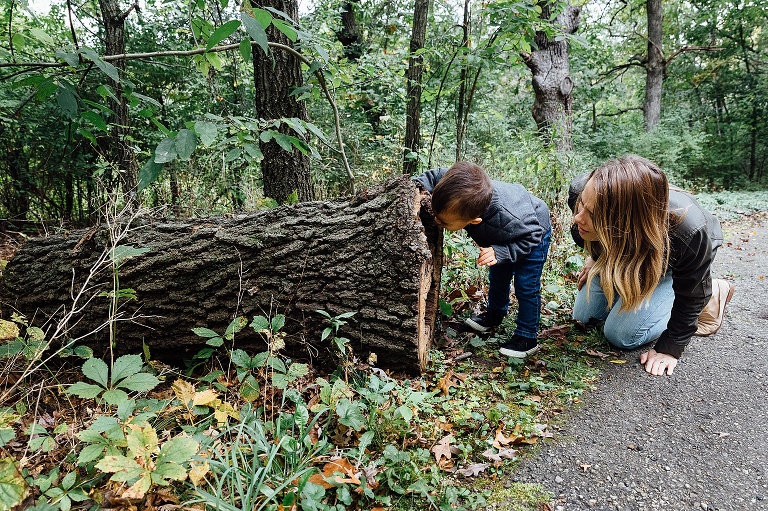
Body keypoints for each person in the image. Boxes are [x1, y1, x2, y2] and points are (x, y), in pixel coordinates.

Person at [569, 155, 734, 376]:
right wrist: (595, 257)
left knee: (622, 334)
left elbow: (691, 294)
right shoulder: (584, 191)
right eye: (581, 205)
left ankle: (713, 292)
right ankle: (634, 290)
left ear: (625, 220)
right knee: (584, 318)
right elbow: (591, 227)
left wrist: (671, 347)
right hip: (624, 248)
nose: (578, 218)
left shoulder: (688, 232)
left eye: (593, 214)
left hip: (670, 262)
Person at [413, 161, 552, 358]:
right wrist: (414, 187)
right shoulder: (453, 185)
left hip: (532, 232)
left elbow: (532, 235)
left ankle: (527, 335)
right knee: (498, 275)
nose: (436, 221)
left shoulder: (508, 218)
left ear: (474, 220)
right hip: (502, 235)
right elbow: (435, 175)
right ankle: (494, 315)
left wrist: (501, 252)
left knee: (525, 285)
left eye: (443, 221)